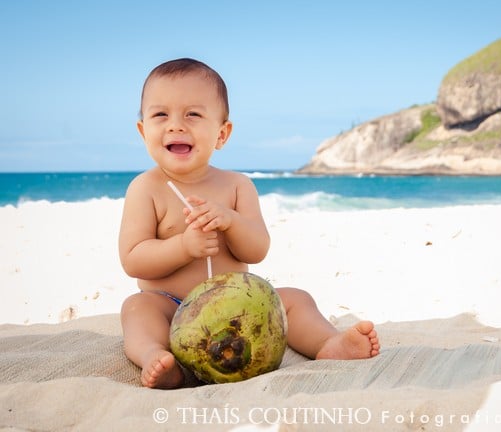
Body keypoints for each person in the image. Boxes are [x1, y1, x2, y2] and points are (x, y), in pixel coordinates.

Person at [119, 58, 380, 389]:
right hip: (172, 307)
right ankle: (156, 356)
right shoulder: (146, 189)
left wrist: (230, 221)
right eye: (160, 115)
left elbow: (257, 250)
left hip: (238, 307)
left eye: (192, 115)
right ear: (143, 131)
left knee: (294, 299)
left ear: (222, 133)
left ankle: (328, 343)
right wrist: (184, 246)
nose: (176, 126)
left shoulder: (237, 186)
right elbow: (133, 258)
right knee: (137, 308)